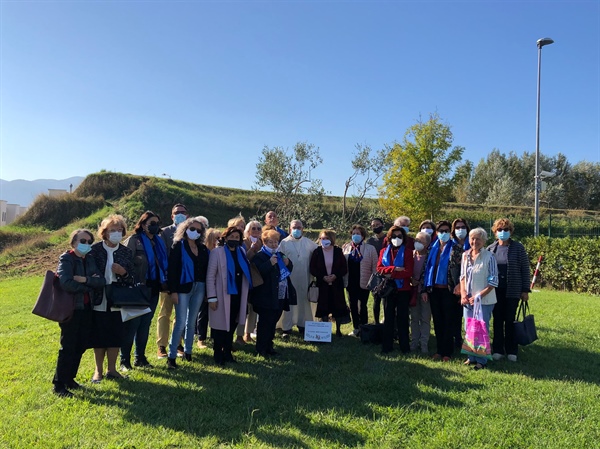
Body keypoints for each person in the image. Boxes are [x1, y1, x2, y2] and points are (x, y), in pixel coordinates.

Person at [53, 229, 105, 397]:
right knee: (68, 346)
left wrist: (85, 280)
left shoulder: (89, 258)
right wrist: (89, 285)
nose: (86, 244)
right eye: (83, 241)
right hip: (71, 309)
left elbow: (101, 281)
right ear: (74, 242)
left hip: (87, 308)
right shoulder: (66, 258)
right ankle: (59, 384)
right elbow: (66, 282)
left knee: (81, 345)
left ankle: (70, 379)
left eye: (90, 242)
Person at [89, 215, 134, 383]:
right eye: (112, 230)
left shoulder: (126, 252)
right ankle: (98, 371)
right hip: (99, 298)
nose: (116, 233)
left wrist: (123, 272)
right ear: (104, 232)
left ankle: (112, 369)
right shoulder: (94, 250)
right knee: (100, 336)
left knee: (115, 335)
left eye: (119, 230)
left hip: (118, 298)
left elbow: (131, 279)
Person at [122, 211, 168, 370]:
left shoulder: (159, 242)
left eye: (157, 223)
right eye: (151, 223)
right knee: (132, 325)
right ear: (142, 224)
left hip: (154, 289)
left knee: (145, 324)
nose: (155, 226)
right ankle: (124, 360)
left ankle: (139, 357)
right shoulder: (134, 241)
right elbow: (125, 263)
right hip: (137, 289)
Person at [165, 218, 209, 369]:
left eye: (199, 230)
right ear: (185, 229)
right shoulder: (178, 246)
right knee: (180, 322)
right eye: (192, 229)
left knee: (192, 322)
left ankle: (188, 352)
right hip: (182, 288)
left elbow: (205, 270)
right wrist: (173, 291)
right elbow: (172, 270)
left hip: (199, 287)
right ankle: (171, 357)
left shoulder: (202, 248)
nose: (195, 232)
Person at [206, 226, 252, 365]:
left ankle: (227, 352)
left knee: (232, 325)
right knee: (220, 327)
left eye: (237, 238)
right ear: (225, 238)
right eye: (231, 237)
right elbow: (210, 277)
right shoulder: (217, 252)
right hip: (221, 295)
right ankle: (217, 354)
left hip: (238, 294)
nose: (234, 240)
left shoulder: (241, 251)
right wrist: (212, 297)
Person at [488, 218, 531, 363]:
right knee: (498, 320)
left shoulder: (518, 248)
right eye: (499, 230)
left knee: (510, 320)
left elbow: (525, 269)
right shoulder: (490, 249)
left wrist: (525, 290)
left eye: (505, 230)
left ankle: (512, 349)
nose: (502, 232)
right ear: (495, 232)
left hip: (512, 291)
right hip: (495, 291)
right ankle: (498, 349)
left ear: (510, 231)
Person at [422, 220, 464, 362]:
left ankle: (448, 352)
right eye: (441, 231)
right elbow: (425, 269)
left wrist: (460, 287)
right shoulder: (431, 248)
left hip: (449, 290)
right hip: (434, 289)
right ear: (437, 233)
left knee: (448, 321)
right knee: (438, 321)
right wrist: (424, 289)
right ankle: (439, 350)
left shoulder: (457, 248)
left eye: (446, 231)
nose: (443, 233)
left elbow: (462, 271)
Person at [251, 229, 295, 357]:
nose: (274, 245)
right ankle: (261, 348)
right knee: (265, 323)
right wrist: (269, 263)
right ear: (264, 242)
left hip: (279, 294)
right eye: (271, 242)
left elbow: (288, 269)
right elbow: (257, 273)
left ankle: (269, 346)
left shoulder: (280, 254)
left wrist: (289, 263)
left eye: (276, 242)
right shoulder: (260, 256)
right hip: (265, 296)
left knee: (273, 322)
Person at [460, 227, 498, 370]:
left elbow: (493, 281)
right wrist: (463, 294)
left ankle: (481, 360)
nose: (474, 241)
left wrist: (479, 296)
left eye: (478, 239)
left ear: (483, 241)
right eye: (472, 238)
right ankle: (471, 357)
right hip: (467, 301)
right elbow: (462, 276)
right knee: (469, 328)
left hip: (484, 301)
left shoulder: (489, 257)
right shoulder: (465, 256)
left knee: (481, 329)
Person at [156, 204, 189, 359]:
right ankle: (161, 346)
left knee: (181, 314)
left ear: (187, 215)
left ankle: (177, 343)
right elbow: (161, 255)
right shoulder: (164, 232)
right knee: (165, 312)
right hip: (169, 279)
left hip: (185, 279)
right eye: (177, 213)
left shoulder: (191, 231)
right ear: (172, 216)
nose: (180, 215)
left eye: (183, 212)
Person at [377, 226, 414, 354]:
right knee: (388, 317)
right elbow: (379, 269)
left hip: (403, 289)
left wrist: (390, 273)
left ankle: (404, 346)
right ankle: (387, 346)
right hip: (388, 288)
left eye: (399, 236)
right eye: (394, 236)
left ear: (403, 238)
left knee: (402, 318)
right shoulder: (383, 252)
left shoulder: (408, 252)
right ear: (389, 238)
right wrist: (394, 269)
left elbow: (408, 272)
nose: (396, 239)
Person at [278, 219, 318, 337]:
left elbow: (319, 252)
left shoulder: (308, 242)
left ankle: (303, 325)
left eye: (299, 227)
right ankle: (287, 327)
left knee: (303, 301)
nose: (296, 230)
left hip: (305, 278)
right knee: (289, 302)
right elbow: (280, 258)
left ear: (303, 229)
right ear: (290, 229)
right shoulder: (284, 243)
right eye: (294, 227)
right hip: (289, 278)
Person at [310, 230, 349, 337]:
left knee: (338, 306)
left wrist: (335, 275)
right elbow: (312, 268)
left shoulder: (337, 251)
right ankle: (325, 330)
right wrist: (323, 277)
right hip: (322, 284)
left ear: (331, 239)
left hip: (336, 284)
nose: (324, 240)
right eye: (322, 238)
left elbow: (344, 268)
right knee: (323, 306)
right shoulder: (317, 252)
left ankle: (338, 330)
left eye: (327, 238)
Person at [342, 224, 378, 336]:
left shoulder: (370, 249)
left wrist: (373, 282)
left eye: (358, 234)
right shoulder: (346, 248)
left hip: (364, 282)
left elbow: (375, 267)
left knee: (363, 305)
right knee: (352, 305)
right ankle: (356, 327)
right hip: (350, 281)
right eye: (353, 234)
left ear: (363, 236)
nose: (355, 236)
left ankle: (364, 327)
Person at [235, 220, 263, 344]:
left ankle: (248, 333)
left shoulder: (262, 242)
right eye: (253, 228)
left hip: (258, 280)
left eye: (258, 228)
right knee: (243, 307)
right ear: (247, 230)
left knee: (254, 308)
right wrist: (252, 250)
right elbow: (243, 260)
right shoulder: (242, 242)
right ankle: (239, 335)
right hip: (245, 279)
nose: (256, 231)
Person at [196, 227, 221, 349]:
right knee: (203, 313)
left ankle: (215, 336)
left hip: (218, 287)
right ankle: (201, 338)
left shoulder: (220, 252)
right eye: (217, 238)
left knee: (216, 312)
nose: (219, 240)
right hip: (204, 286)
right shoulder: (205, 252)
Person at [410, 231, 432, 353]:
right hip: (412, 291)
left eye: (421, 241)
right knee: (414, 318)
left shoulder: (430, 256)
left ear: (427, 244)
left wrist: (425, 289)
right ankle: (413, 342)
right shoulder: (411, 255)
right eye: (416, 240)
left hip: (425, 293)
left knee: (425, 318)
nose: (417, 243)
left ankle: (424, 344)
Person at [450, 218, 471, 349]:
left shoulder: (473, 243)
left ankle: (470, 342)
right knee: (455, 316)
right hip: (452, 286)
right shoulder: (450, 245)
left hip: (469, 286)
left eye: (462, 227)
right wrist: (456, 285)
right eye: (457, 228)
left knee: (469, 317)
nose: (460, 230)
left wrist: (462, 285)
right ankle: (456, 340)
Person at [367, 218, 386, 323]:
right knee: (376, 298)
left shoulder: (387, 239)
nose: (375, 227)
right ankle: (376, 321)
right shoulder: (370, 241)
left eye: (377, 224)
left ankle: (386, 320)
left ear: (382, 225)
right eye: (373, 225)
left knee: (386, 298)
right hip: (375, 273)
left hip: (386, 272)